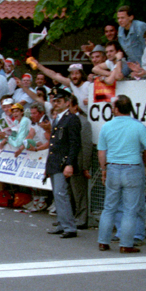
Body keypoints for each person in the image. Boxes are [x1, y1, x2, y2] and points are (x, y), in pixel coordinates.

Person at [97, 95, 146, 253]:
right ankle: (126, 244)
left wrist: (104, 170)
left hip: (113, 168)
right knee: (131, 209)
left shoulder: (106, 127)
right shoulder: (138, 126)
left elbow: (102, 152)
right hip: (132, 168)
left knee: (109, 207)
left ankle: (103, 241)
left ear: (116, 109)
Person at [45, 88, 81, 239]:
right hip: (55, 161)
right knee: (57, 194)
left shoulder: (71, 118)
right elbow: (54, 144)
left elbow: (74, 144)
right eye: (55, 101)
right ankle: (62, 223)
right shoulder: (58, 118)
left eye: (59, 101)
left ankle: (69, 226)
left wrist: (69, 163)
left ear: (67, 102)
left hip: (62, 161)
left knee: (61, 194)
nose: (56, 104)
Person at [68, 94, 92, 229]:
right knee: (69, 192)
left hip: (78, 161)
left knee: (79, 193)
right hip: (67, 162)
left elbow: (86, 145)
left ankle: (82, 219)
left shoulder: (83, 122)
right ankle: (69, 218)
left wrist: (85, 165)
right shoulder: (66, 120)